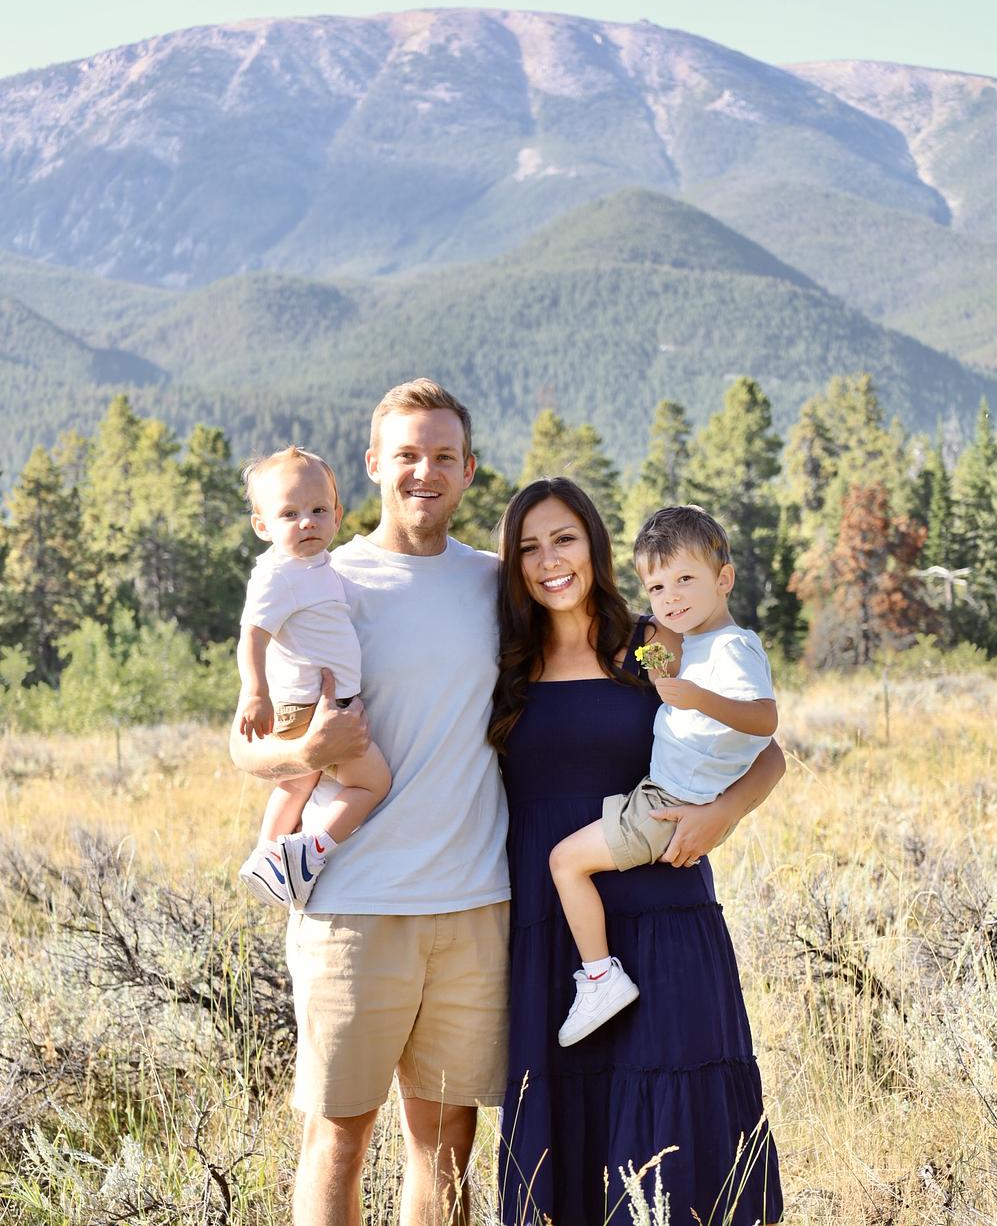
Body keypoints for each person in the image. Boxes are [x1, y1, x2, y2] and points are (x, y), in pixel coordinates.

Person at [229, 379, 509, 1226]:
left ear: (468, 469)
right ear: (373, 466)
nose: (426, 471)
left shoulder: (499, 585)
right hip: (352, 908)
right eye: (407, 455)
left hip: (473, 905)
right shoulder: (320, 576)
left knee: (447, 1146)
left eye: (444, 456)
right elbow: (244, 746)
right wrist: (305, 754)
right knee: (339, 1140)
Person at [489, 477, 784, 1226]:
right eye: (529, 547)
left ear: (595, 544)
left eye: (565, 539)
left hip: (662, 905)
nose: (550, 560)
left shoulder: (652, 642)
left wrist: (722, 814)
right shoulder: (505, 661)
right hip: (554, 923)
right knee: (565, 1118)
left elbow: (766, 748)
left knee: (672, 1116)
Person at [548, 504, 777, 1046]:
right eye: (656, 588)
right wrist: (667, 679)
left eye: (684, 580)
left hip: (666, 804)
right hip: (664, 793)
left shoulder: (733, 646)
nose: (670, 597)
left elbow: (765, 721)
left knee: (565, 862)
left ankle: (599, 978)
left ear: (724, 580)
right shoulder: (695, 643)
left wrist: (697, 697)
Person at [236, 446, 391, 909]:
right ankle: (311, 850)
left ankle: (268, 856)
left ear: (337, 516)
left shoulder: (319, 566)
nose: (306, 522)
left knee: (297, 784)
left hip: (313, 702)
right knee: (372, 784)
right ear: (262, 526)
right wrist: (255, 692)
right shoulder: (278, 575)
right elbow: (252, 636)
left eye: (318, 510)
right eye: (290, 514)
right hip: (313, 706)